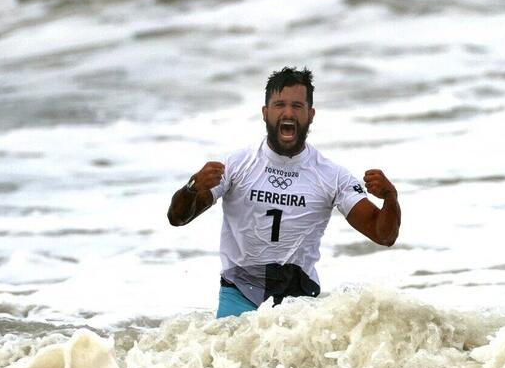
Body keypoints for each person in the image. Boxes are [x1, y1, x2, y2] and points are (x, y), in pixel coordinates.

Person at [168, 66, 401, 318]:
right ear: (265, 112)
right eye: (279, 105)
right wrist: (192, 188)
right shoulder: (235, 165)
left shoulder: (332, 176)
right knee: (227, 357)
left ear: (311, 115)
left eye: (297, 106)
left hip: (298, 303)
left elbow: (383, 235)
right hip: (240, 294)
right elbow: (177, 218)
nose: (288, 113)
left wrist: (391, 199)